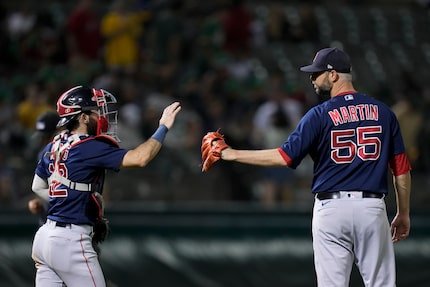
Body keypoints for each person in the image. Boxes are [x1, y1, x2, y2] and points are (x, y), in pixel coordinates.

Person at [203, 47, 411, 286]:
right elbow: (401, 170)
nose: (312, 78)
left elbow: (284, 157)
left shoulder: (318, 115)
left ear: (333, 75)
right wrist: (403, 213)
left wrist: (231, 153)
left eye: (317, 73)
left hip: (331, 209)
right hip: (371, 208)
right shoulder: (384, 113)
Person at [30, 85, 181, 287]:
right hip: (70, 240)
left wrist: (66, 202)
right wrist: (163, 127)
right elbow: (141, 158)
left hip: (44, 239)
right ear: (82, 118)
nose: (101, 115)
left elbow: (37, 186)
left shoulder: (53, 145)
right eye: (95, 111)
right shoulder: (89, 146)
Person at [27, 111, 60, 226]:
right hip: (48, 217)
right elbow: (43, 184)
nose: (44, 140)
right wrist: (38, 201)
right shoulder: (42, 153)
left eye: (48, 136)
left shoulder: (72, 152)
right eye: (42, 137)